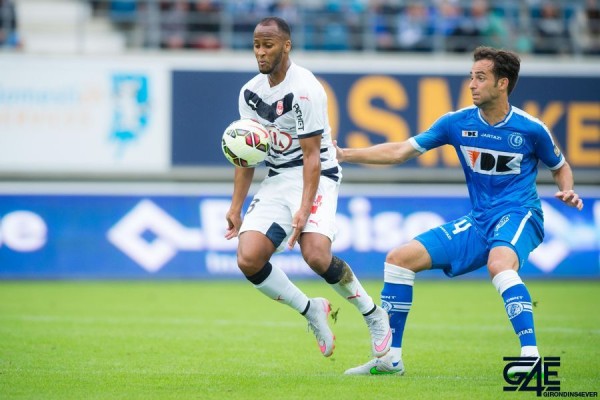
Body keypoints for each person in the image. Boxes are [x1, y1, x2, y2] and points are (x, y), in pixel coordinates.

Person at [336, 46, 584, 375]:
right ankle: (390, 359)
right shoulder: (456, 123)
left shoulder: (530, 128)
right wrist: (345, 155)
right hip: (479, 220)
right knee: (399, 259)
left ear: (502, 84)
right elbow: (399, 151)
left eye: (481, 78)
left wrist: (566, 189)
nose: (472, 84)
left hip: (520, 213)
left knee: (500, 264)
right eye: (471, 77)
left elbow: (560, 166)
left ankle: (530, 356)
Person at [224, 16, 391, 360]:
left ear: (286, 46)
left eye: (268, 45)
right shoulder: (250, 92)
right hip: (278, 176)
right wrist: (235, 206)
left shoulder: (305, 89)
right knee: (248, 258)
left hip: (317, 174)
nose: (260, 52)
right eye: (256, 45)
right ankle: (311, 309)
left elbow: (313, 157)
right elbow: (247, 154)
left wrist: (304, 208)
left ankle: (374, 314)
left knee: (315, 254)